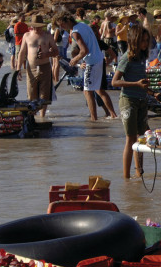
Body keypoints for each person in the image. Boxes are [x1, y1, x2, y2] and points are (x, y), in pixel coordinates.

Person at [111, 25, 153, 179]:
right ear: (134, 41)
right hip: (128, 101)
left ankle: (138, 172)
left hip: (142, 100)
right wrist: (136, 84)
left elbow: (142, 83)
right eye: (142, 41)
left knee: (141, 138)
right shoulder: (126, 58)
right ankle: (126, 177)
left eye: (147, 41)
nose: (145, 44)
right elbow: (114, 82)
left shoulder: (142, 58)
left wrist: (153, 93)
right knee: (130, 139)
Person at [63, 14, 116, 120]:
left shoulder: (75, 32)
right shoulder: (83, 25)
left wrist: (75, 60)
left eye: (61, 25)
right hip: (98, 61)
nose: (61, 28)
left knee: (88, 91)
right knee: (98, 90)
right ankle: (112, 114)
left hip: (92, 62)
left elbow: (84, 51)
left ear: (67, 21)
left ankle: (94, 119)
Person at [17, 17, 60, 120]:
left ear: (42, 26)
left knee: (44, 94)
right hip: (31, 68)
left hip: (45, 67)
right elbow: (22, 53)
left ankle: (42, 117)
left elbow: (56, 51)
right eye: (34, 27)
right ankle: (33, 116)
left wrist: (47, 54)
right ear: (31, 26)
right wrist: (18, 69)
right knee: (31, 93)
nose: (37, 29)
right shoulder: (26, 35)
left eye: (39, 27)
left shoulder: (47, 35)